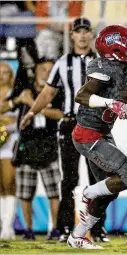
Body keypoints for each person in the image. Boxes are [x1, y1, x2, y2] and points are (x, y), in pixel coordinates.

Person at [63, 24, 127, 249]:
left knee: (108, 193)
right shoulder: (104, 67)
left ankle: (77, 236)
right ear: (113, 47)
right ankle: (87, 193)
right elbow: (81, 95)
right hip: (87, 134)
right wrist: (109, 102)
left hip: (102, 133)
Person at [19, 17, 109, 242]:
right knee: (69, 180)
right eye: (78, 31)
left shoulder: (101, 63)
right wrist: (32, 112)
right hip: (70, 124)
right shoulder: (62, 62)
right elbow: (48, 93)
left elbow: (112, 94)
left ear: (91, 35)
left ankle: (98, 229)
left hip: (95, 125)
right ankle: (66, 228)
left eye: (86, 31)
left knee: (98, 180)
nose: (82, 35)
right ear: (72, 35)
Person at [1, 58, 63, 240]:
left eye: (50, 70)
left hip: (49, 144)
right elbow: (5, 107)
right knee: (25, 192)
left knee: (53, 191)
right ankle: (28, 230)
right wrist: (19, 100)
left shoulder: (57, 92)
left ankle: (54, 229)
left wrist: (36, 107)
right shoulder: (25, 90)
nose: (46, 73)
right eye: (43, 69)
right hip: (27, 145)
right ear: (35, 71)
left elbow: (60, 114)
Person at [0, 62, 18, 239]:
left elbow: (17, 119)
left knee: (9, 183)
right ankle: (3, 226)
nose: (2, 75)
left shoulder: (15, 94)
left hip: (9, 141)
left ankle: (8, 226)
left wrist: (4, 124)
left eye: (6, 72)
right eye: (0, 72)